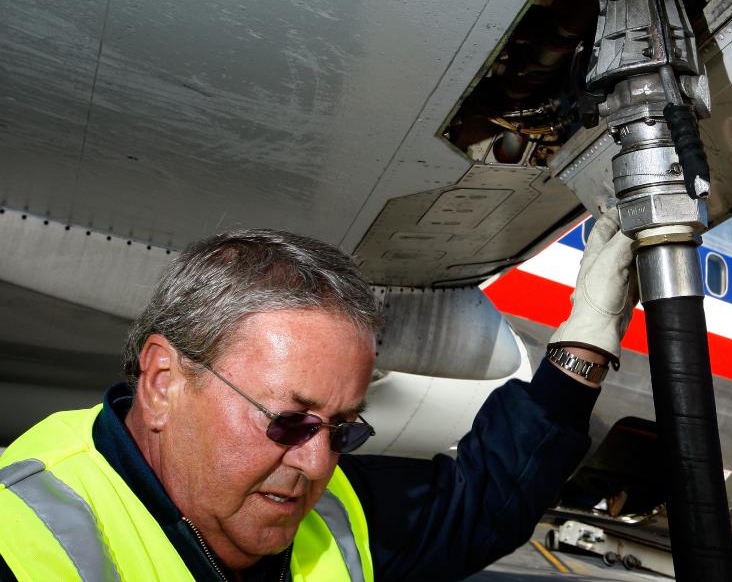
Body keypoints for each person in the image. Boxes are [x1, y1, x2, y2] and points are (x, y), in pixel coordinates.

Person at [0, 212, 637, 581]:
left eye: (342, 430)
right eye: (286, 421)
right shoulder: (25, 538)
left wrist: (586, 339)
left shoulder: (332, 513)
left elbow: (485, 501)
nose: (317, 465)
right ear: (164, 381)